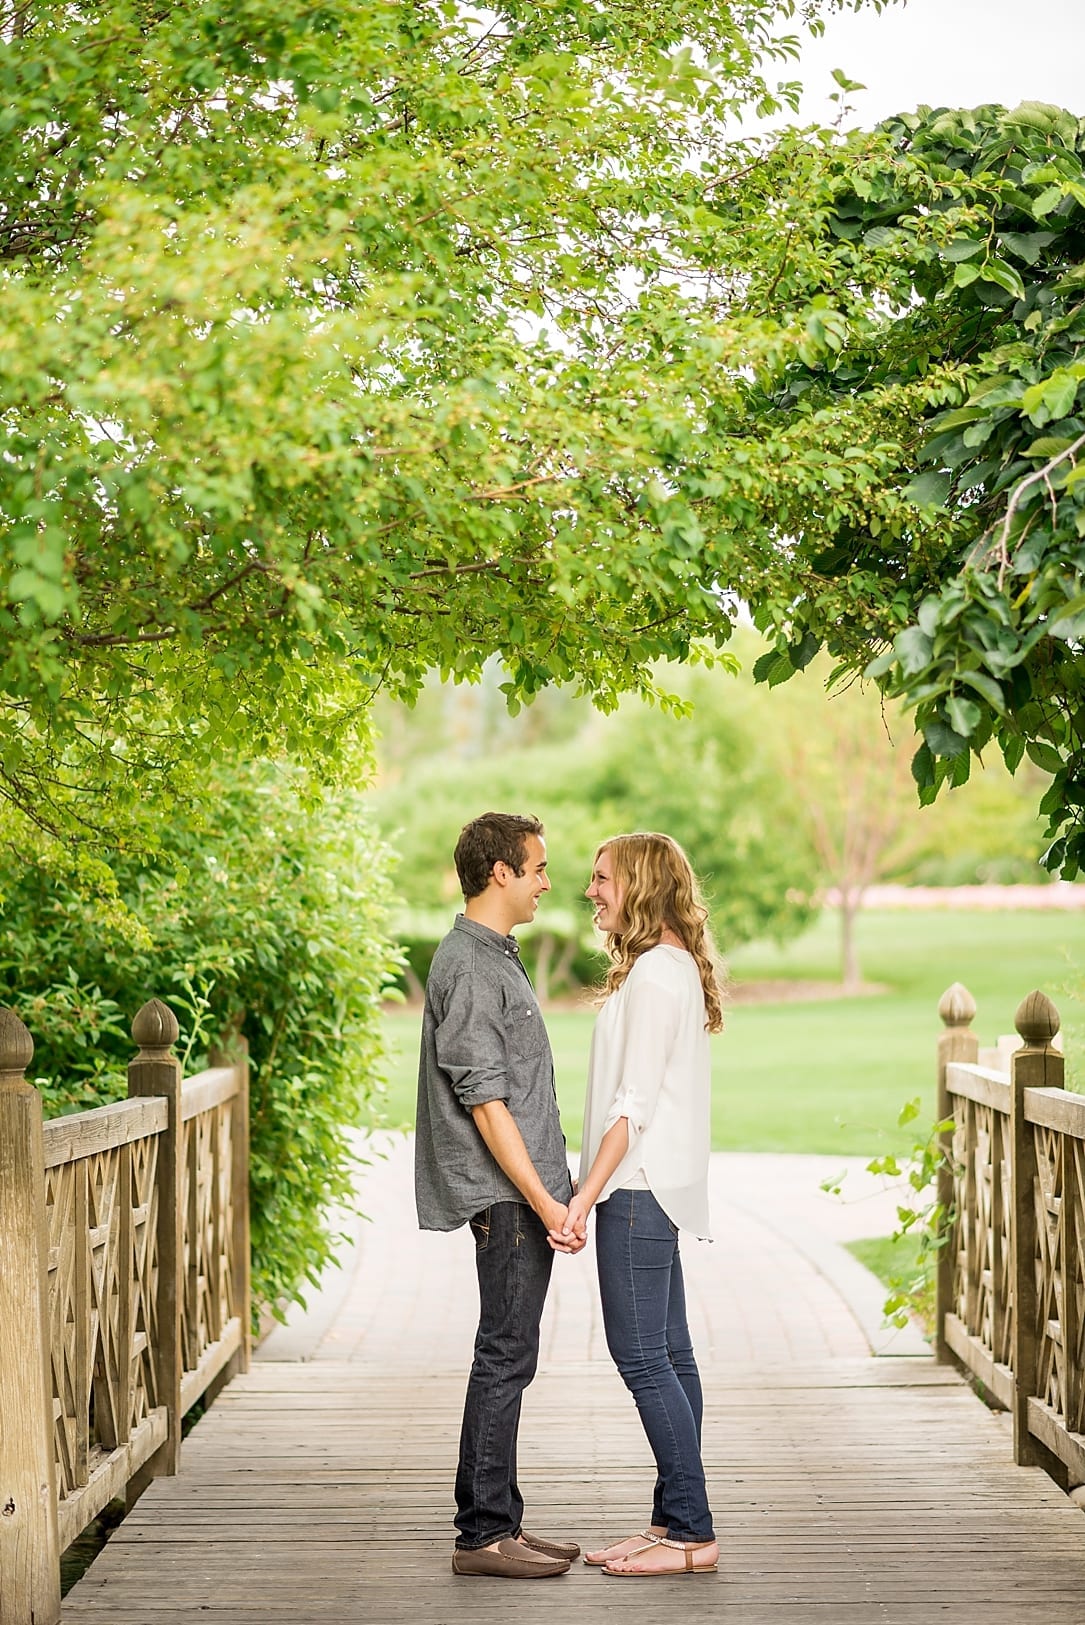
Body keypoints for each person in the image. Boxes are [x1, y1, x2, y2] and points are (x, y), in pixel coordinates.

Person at [415, 811, 584, 1580]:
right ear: (500, 873)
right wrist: (545, 1202)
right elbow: (486, 1102)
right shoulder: (472, 966)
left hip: (522, 1196)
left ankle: (500, 1520)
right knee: (504, 1354)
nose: (549, 881)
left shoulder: (491, 956)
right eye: (539, 867)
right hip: (510, 1198)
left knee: (509, 1353)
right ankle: (482, 1533)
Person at [553, 831, 723, 1578]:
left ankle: (690, 1530)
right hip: (656, 1186)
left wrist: (582, 1195)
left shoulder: (656, 974)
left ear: (641, 885)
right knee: (671, 1355)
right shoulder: (668, 965)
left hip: (635, 1188)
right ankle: (669, 1520)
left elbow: (633, 1103)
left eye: (602, 879)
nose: (590, 890)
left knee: (641, 1357)